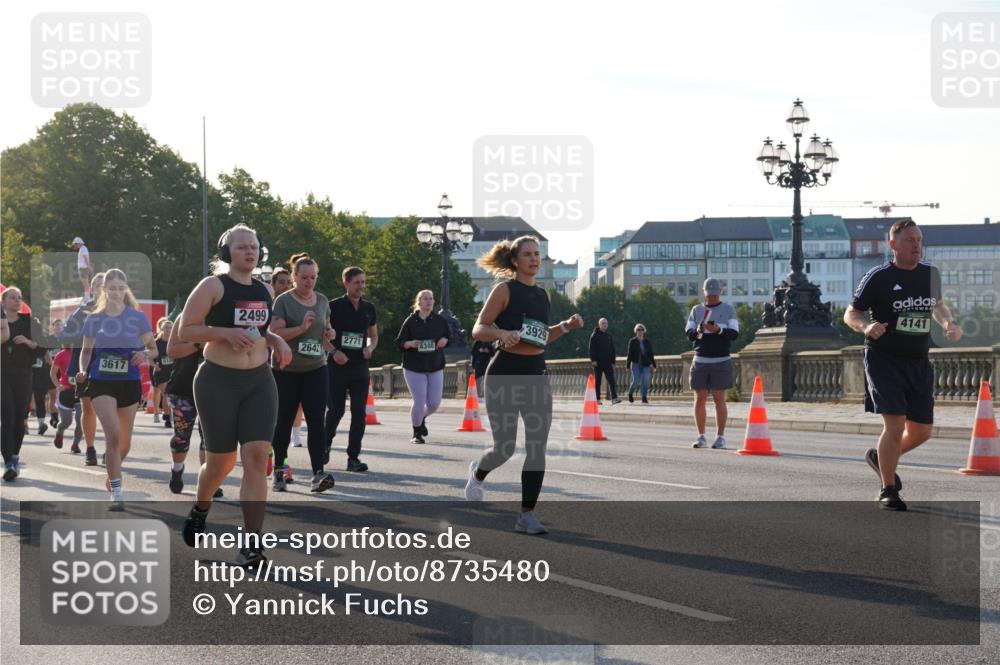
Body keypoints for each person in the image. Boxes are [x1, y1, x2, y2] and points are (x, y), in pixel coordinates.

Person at [178, 224, 291, 566]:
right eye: (242, 247)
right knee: (221, 463)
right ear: (227, 253)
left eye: (254, 247)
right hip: (217, 382)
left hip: (259, 380)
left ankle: (252, 544)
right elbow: (186, 330)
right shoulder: (212, 285)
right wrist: (226, 333)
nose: (250, 252)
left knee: (257, 457)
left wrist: (275, 339)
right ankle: (200, 508)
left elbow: (260, 329)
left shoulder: (264, 290)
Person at [463, 235, 584, 535]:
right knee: (504, 449)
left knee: (536, 448)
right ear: (515, 260)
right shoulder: (504, 290)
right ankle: (478, 473)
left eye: (537, 254)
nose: (534, 258)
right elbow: (479, 329)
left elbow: (541, 338)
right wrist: (502, 334)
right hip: (504, 375)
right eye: (528, 254)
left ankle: (526, 514)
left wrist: (565, 327)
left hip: (536, 377)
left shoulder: (543, 295)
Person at [844, 219, 962, 511]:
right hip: (884, 359)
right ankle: (887, 489)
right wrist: (866, 326)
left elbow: (937, 304)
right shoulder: (878, 276)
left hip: (918, 360)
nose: (916, 246)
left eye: (919, 240)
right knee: (895, 425)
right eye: (909, 240)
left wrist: (948, 322)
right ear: (893, 245)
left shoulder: (930, 273)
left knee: (922, 431)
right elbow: (851, 313)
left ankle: (880, 457)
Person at [76, 268, 157, 506]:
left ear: (126, 290)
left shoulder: (137, 317)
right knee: (113, 435)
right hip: (101, 381)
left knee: (124, 443)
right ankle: (117, 492)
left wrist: (143, 354)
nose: (117, 292)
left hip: (129, 383)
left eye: (121, 288)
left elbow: (154, 350)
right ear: (104, 290)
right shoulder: (94, 318)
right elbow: (86, 350)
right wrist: (83, 369)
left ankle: (112, 474)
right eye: (112, 288)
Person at [269, 253, 336, 492]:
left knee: (317, 420)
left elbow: (326, 328)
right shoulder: (284, 301)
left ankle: (318, 472)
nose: (309, 282)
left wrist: (330, 335)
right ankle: (280, 468)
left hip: (316, 368)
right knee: (284, 421)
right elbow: (274, 335)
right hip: (286, 370)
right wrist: (300, 328)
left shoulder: (322, 300)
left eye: (313, 277)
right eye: (304, 277)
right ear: (295, 276)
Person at [325, 266, 378, 473]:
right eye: (357, 282)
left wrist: (370, 348)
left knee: (359, 413)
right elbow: (322, 335)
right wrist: (334, 352)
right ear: (346, 283)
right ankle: (325, 444)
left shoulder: (369, 308)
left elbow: (374, 335)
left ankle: (353, 457)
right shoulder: (333, 306)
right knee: (336, 411)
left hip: (360, 367)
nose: (361, 286)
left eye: (363, 282)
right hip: (337, 366)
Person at [164, 313, 223, 498]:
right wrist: (198, 344)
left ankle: (209, 481)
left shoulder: (221, 318)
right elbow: (172, 350)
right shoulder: (185, 318)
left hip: (213, 388)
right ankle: (177, 469)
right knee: (182, 436)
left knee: (209, 439)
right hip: (183, 388)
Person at [686, 278, 739, 449]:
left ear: (720, 293)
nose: (712, 299)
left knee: (719, 398)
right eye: (709, 296)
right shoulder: (697, 310)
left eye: (715, 296)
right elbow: (689, 333)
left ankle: (720, 437)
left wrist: (719, 330)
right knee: (699, 397)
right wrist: (699, 330)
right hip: (700, 359)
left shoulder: (728, 310)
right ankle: (701, 436)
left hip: (721, 359)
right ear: (704, 293)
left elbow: (734, 334)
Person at [58, 272, 105, 465]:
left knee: (112, 410)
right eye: (99, 286)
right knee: (89, 409)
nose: (103, 289)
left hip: (111, 365)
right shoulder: (82, 310)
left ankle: (111, 448)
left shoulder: (119, 310)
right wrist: (86, 334)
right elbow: (64, 336)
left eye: (106, 285)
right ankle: (90, 449)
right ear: (92, 289)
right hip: (86, 364)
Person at [2, 288, 47, 481]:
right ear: (3, 302)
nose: (17, 300)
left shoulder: (29, 322)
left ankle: (14, 455)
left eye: (19, 297)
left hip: (24, 375)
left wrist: (28, 342)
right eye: (12, 297)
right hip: (2, 375)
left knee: (20, 418)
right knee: (7, 417)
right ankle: (8, 463)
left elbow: (43, 348)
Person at [395, 289, 450, 444]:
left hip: (435, 366)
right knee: (419, 402)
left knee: (434, 403)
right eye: (425, 299)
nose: (429, 301)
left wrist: (445, 340)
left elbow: (449, 337)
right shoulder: (411, 321)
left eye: (431, 298)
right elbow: (399, 343)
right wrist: (410, 343)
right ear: (419, 302)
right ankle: (416, 432)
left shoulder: (440, 320)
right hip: (414, 367)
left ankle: (421, 417)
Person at [270, 266, 303, 450]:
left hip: (290, 362)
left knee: (294, 404)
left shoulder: (294, 305)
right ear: (273, 285)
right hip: (266, 362)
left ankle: (295, 436)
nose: (285, 286)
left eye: (288, 282)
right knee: (274, 408)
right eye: (281, 282)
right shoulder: (266, 305)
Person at [49, 340, 83, 451]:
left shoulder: (83, 353)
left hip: (80, 391)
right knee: (66, 421)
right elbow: (53, 373)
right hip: (65, 391)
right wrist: (58, 386)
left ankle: (75, 445)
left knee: (80, 419)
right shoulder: (61, 354)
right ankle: (60, 431)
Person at [588, 317, 620, 405]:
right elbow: (591, 349)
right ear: (599, 324)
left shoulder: (609, 336)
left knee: (611, 380)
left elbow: (612, 349)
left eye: (606, 323)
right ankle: (597, 399)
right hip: (598, 363)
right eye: (603, 323)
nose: (605, 325)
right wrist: (593, 360)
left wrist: (613, 361)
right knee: (597, 381)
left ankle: (614, 398)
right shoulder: (594, 335)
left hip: (608, 362)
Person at [150, 317, 174, 427]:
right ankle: (167, 417)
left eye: (170, 327)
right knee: (165, 393)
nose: (168, 329)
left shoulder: (175, 342)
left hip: (172, 371)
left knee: (169, 394)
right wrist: (154, 365)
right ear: (161, 329)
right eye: (166, 327)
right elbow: (149, 356)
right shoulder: (156, 343)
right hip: (160, 371)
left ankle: (167, 413)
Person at [626, 324, 656, 403]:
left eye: (641, 330)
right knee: (635, 381)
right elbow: (629, 354)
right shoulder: (632, 341)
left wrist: (654, 365)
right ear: (636, 331)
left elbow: (650, 354)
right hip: (635, 363)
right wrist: (628, 365)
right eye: (638, 330)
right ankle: (630, 393)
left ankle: (644, 397)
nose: (640, 331)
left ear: (644, 331)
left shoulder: (647, 342)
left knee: (645, 380)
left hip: (645, 364)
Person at [46, 320, 64, 428]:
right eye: (57, 325)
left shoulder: (65, 339)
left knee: (60, 395)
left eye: (61, 325)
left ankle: (59, 413)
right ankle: (54, 417)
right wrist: (52, 364)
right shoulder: (48, 340)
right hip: (52, 370)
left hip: (62, 371)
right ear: (52, 327)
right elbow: (45, 354)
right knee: (52, 395)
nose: (59, 327)